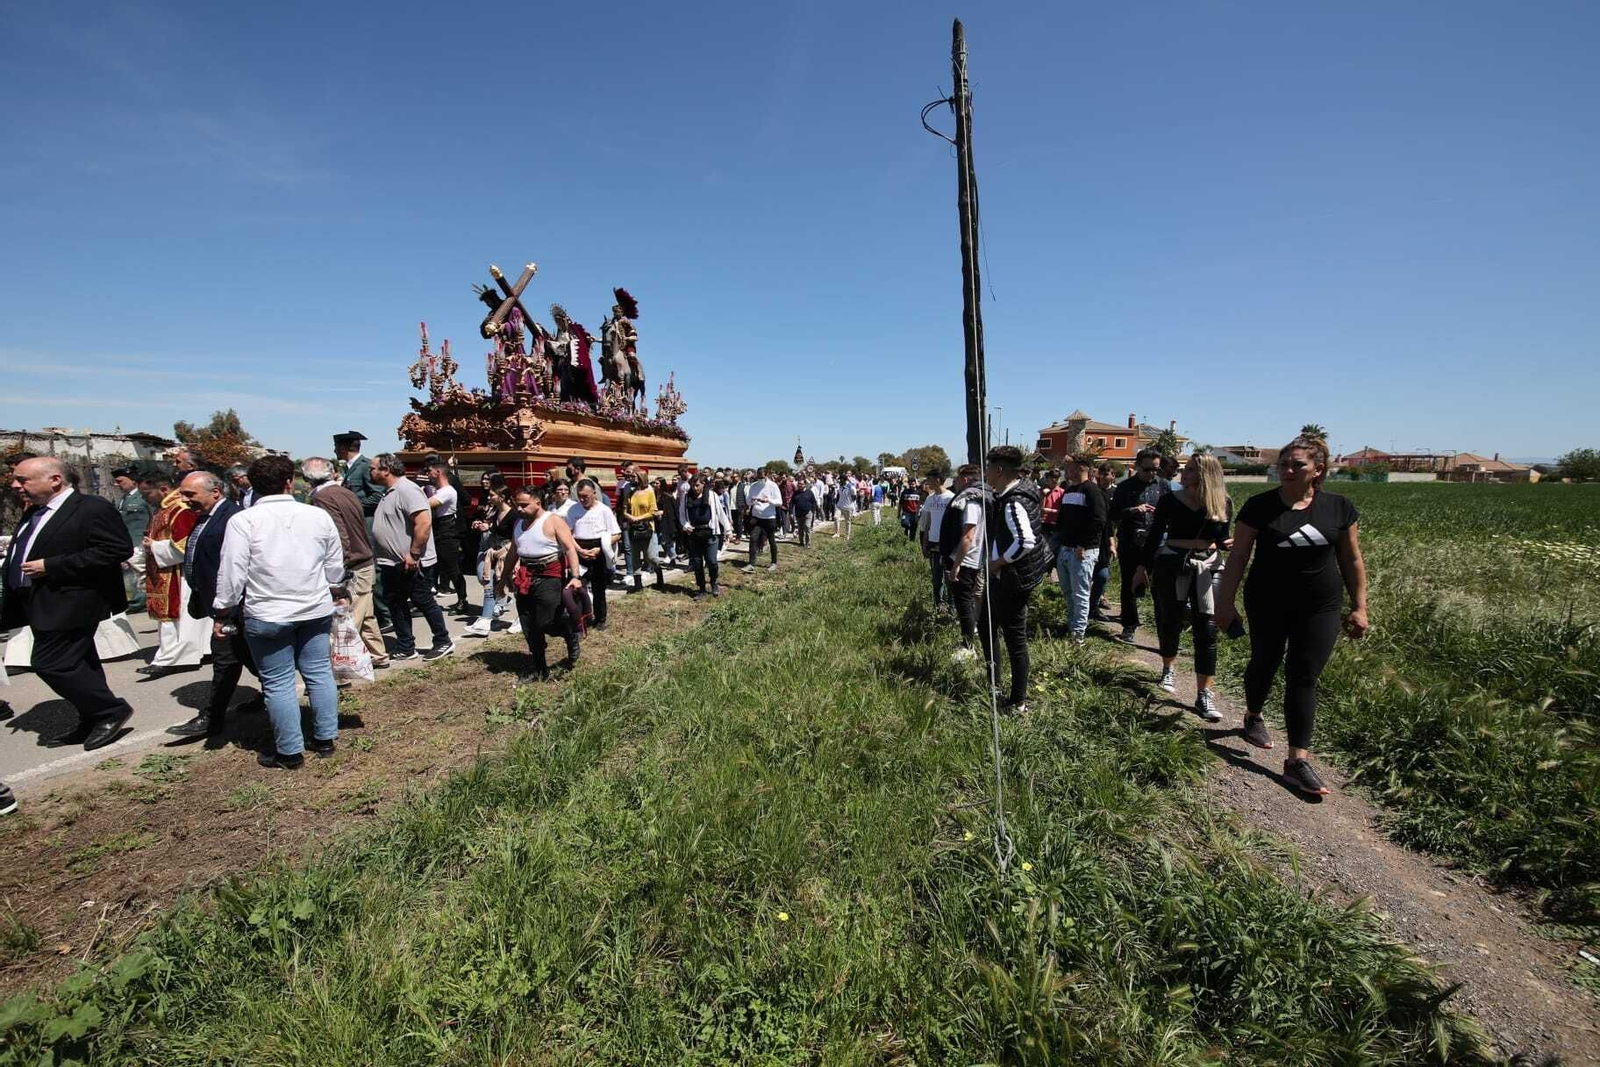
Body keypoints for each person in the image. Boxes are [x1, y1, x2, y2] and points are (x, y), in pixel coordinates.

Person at [1215, 436, 1370, 797]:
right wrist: (1225, 603)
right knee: (1265, 661)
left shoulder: (1338, 508)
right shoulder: (1259, 506)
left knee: (1303, 675)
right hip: (1268, 600)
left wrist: (1359, 606)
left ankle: (1297, 760)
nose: (1287, 470)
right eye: (1283, 464)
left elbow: (1351, 559)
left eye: (1297, 464)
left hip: (1321, 606)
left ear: (1318, 470)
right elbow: (1238, 558)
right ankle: (1253, 715)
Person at [212, 455, 344, 769]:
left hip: (269, 612)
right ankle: (325, 738)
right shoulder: (316, 516)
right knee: (318, 672)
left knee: (278, 682)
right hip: (313, 608)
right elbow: (335, 566)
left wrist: (223, 609)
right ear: (289, 482)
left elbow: (232, 571)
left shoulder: (244, 521)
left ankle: (290, 751)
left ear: (252, 485)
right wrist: (333, 585)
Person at [2, 456, 135, 751]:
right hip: (40, 602)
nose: (15, 485)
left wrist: (52, 565)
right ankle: (91, 717)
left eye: (22, 480)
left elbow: (116, 549)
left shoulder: (91, 508)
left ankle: (110, 710)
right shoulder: (35, 511)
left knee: (51, 664)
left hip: (73, 601)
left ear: (54, 480)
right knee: (80, 662)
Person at [1136, 453, 1231, 721]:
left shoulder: (1223, 502)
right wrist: (1143, 569)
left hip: (1209, 566)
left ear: (1205, 475)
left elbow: (1222, 538)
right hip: (1173, 563)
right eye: (1185, 469)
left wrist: (1229, 543)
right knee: (1170, 620)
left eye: (1189, 470)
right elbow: (1155, 535)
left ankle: (1204, 694)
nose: (1183, 473)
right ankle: (1168, 667)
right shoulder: (1169, 500)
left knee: (1207, 629)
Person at [166, 471, 255, 739]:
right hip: (218, 604)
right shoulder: (206, 517)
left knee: (225, 661)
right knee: (249, 656)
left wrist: (228, 608)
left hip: (233, 607)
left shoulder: (232, 518)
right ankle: (274, 694)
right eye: (182, 494)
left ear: (215, 492)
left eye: (190, 494)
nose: (183, 500)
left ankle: (211, 718)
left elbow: (236, 566)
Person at [981, 446, 1053, 712]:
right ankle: (995, 682)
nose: (986, 472)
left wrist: (997, 562)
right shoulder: (1019, 491)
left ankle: (1017, 701)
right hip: (1011, 576)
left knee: (1015, 641)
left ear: (999, 470)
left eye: (988, 467)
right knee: (987, 623)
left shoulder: (1013, 501)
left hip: (1012, 580)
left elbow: (1026, 541)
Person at [303, 458, 388, 671]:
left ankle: (343, 670)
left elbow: (339, 536)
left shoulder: (323, 498)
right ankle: (379, 655)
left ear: (307, 479)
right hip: (365, 560)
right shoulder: (346, 492)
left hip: (352, 565)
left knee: (348, 621)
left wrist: (339, 571)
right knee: (365, 614)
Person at [370, 455, 454, 661]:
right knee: (396, 602)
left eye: (372, 468)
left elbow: (423, 523)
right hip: (391, 562)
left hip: (413, 561)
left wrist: (414, 553)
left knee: (422, 600)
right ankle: (406, 645)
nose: (369, 472)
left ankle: (443, 641)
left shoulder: (407, 490)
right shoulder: (389, 492)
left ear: (386, 470)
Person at [503, 486, 584, 682]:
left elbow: (570, 549)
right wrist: (504, 577)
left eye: (524, 505)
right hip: (525, 577)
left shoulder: (553, 521)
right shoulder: (519, 523)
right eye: (517, 505)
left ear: (537, 503)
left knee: (546, 622)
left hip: (549, 577)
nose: (519, 509)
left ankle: (569, 634)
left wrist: (575, 576)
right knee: (528, 625)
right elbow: (513, 552)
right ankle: (540, 669)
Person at [137, 464, 208, 677]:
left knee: (177, 617)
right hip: (163, 570)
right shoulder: (165, 510)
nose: (145, 498)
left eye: (147, 493)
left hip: (178, 574)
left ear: (164, 489)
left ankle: (174, 657)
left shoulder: (181, 510)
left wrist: (155, 546)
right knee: (169, 620)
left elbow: (186, 545)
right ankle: (173, 654)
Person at [1108, 449, 1165, 644]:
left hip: (1157, 545)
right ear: (1138, 466)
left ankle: (1164, 631)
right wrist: (1133, 510)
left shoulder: (1164, 486)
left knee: (1160, 589)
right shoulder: (1125, 488)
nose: (1152, 473)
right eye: (1148, 469)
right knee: (1129, 585)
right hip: (1131, 543)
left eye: (1156, 469)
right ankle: (1129, 626)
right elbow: (1113, 515)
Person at [1052, 455, 1107, 642]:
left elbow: (1098, 520)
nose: (1066, 470)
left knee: (1080, 594)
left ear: (1081, 468)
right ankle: (1071, 626)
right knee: (1068, 593)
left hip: (1082, 551)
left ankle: (1078, 636)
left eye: (1070, 467)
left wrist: (1083, 545)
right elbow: (1062, 520)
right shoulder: (1068, 490)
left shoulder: (1092, 490)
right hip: (1065, 550)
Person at [941, 465, 987, 656]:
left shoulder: (971, 502)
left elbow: (967, 537)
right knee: (964, 602)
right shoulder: (976, 498)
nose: (955, 482)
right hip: (968, 560)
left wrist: (956, 565)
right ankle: (967, 641)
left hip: (966, 561)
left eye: (957, 478)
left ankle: (968, 647)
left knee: (964, 604)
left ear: (966, 480)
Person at [566, 478, 621, 629]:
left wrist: (600, 548)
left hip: (598, 549)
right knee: (577, 589)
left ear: (594, 494)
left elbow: (616, 534)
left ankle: (600, 619)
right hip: (579, 549)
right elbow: (568, 534)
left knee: (598, 589)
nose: (583, 499)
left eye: (586, 496)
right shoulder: (573, 510)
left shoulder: (604, 510)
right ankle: (580, 619)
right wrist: (579, 550)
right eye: (580, 496)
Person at [464, 476, 515, 637]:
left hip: (510, 555)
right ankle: (485, 621)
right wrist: (484, 526)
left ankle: (522, 619)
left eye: (492, 495)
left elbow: (517, 536)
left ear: (502, 497)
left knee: (517, 588)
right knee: (489, 586)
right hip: (494, 554)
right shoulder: (495, 513)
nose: (488, 497)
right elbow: (495, 530)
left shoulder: (514, 515)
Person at [680, 472, 731, 598]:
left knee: (712, 561)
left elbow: (720, 513)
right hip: (694, 534)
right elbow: (681, 514)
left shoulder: (712, 496)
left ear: (703, 484)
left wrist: (728, 530)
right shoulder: (686, 497)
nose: (694, 488)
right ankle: (701, 589)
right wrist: (686, 525)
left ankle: (714, 582)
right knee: (697, 563)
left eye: (697, 485)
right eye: (692, 485)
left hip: (710, 532)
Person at [110, 464, 151, 612]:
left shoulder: (144, 496)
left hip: (140, 542)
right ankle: (137, 601)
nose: (117, 484)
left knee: (141, 573)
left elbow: (153, 517)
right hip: (128, 542)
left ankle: (142, 602)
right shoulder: (123, 499)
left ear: (133, 480)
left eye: (120, 481)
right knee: (132, 574)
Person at [624, 467, 665, 592]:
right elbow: (624, 509)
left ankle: (659, 574)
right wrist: (629, 516)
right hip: (633, 529)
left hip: (647, 528)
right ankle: (638, 583)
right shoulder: (630, 492)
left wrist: (639, 518)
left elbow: (653, 511)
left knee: (651, 556)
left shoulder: (649, 491)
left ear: (641, 477)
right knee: (635, 557)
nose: (632, 479)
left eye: (634, 477)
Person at [918, 471, 954, 611]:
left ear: (938, 480)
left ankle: (951, 606)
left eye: (930, 480)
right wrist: (924, 544)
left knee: (949, 577)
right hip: (933, 543)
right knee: (936, 577)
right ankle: (937, 605)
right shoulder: (930, 499)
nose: (928, 483)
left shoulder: (951, 498)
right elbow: (926, 523)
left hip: (948, 545)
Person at [1091, 462, 1118, 620]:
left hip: (1109, 536)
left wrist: (1113, 542)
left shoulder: (1116, 492)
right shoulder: (1093, 492)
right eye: (1100, 473)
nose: (1102, 477)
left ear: (1113, 476)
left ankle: (1096, 600)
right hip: (1093, 538)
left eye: (1106, 474)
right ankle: (1091, 603)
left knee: (1102, 575)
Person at [653, 477, 681, 567]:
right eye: (654, 483)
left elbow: (671, 510)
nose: (655, 485)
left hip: (666, 522)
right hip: (656, 522)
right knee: (657, 542)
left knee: (667, 542)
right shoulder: (653, 494)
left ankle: (673, 558)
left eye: (657, 483)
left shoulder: (667, 496)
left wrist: (662, 512)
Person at [790, 478, 816, 547]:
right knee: (800, 528)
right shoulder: (796, 493)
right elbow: (792, 503)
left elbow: (813, 502)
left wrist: (812, 511)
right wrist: (791, 513)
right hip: (798, 514)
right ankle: (801, 542)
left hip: (808, 513)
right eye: (799, 484)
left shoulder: (809, 492)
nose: (800, 485)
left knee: (807, 527)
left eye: (801, 484)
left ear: (805, 485)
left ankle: (808, 543)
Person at [833, 471, 857, 539]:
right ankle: (837, 533)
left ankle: (847, 535)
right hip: (839, 506)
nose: (840, 480)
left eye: (841, 479)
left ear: (844, 479)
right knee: (836, 517)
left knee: (847, 521)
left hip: (848, 507)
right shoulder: (840, 485)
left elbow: (854, 496)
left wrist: (850, 502)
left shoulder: (850, 486)